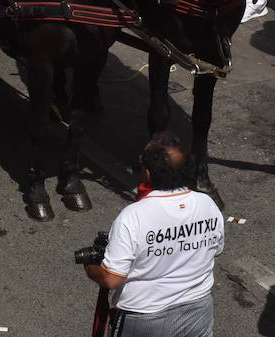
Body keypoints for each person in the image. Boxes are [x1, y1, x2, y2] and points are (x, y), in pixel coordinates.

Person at [84, 133, 224, 335]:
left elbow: (111, 279)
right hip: (198, 311)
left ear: (147, 174)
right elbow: (216, 249)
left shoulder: (133, 217)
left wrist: (91, 267)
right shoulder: (207, 205)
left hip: (144, 318)